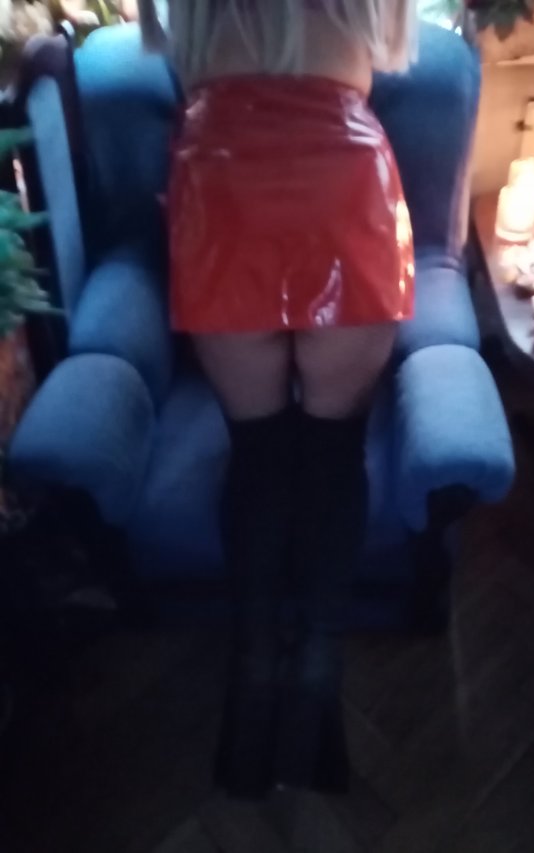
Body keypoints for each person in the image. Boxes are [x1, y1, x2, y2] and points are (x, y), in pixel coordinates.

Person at [137, 0, 416, 798]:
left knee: (259, 456)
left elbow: (163, 43)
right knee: (333, 456)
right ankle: (316, 692)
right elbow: (394, 45)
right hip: (347, 189)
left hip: (222, 192)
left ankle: (252, 685)